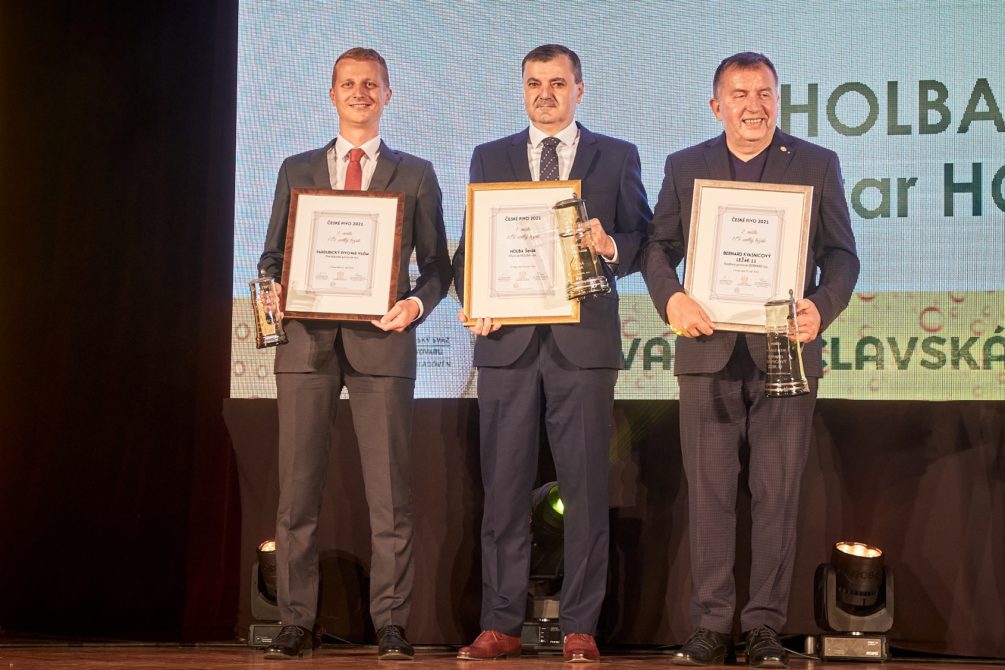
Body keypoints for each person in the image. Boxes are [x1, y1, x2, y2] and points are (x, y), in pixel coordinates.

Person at [642, 52, 859, 667]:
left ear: (777, 100)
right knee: (710, 497)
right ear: (717, 106)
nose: (753, 106)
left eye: (764, 93)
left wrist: (822, 306)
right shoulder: (685, 165)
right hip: (706, 350)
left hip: (787, 354)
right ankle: (711, 627)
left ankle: (764, 628)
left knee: (777, 495)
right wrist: (672, 297)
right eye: (739, 95)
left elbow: (842, 255)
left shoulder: (816, 163)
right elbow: (657, 247)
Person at [452, 44, 651, 663]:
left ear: (579, 90)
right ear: (523, 90)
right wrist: (473, 298)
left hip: (582, 343)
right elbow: (471, 247)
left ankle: (579, 625)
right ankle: (500, 623)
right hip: (505, 341)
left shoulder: (616, 156)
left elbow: (643, 238)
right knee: (504, 488)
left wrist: (610, 245)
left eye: (558, 83)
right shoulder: (490, 156)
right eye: (534, 83)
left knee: (585, 487)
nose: (545, 93)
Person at [257, 47, 451, 661]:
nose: (360, 93)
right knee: (296, 495)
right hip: (306, 345)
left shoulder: (416, 174)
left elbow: (438, 267)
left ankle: (391, 623)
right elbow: (271, 257)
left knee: (391, 496)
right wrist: (274, 288)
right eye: (349, 83)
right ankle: (295, 621)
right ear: (332, 94)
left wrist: (413, 306)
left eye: (371, 84)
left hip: (383, 344)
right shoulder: (295, 169)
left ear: (388, 95)